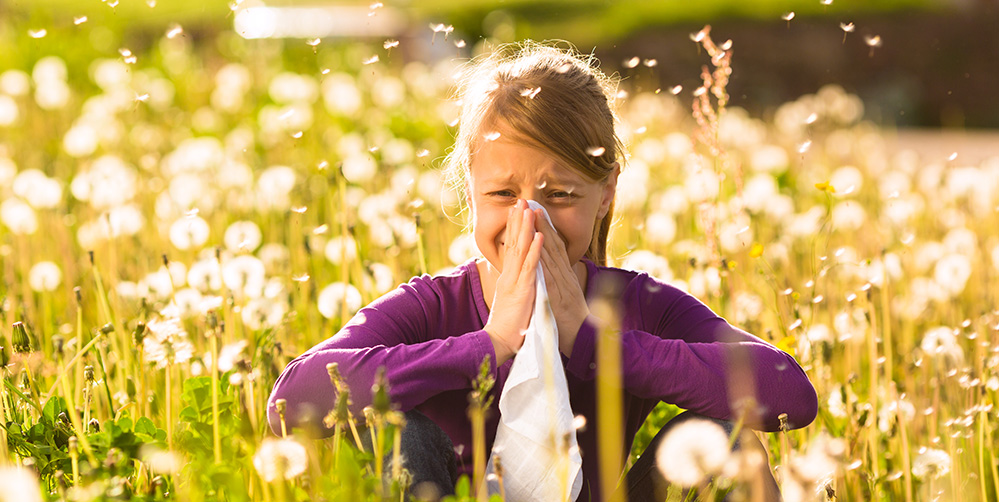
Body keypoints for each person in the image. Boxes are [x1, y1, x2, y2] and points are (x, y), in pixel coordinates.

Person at [267, 41, 817, 501]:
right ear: (471, 192)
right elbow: (292, 401)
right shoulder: (434, 305)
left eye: (559, 195)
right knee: (396, 436)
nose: (530, 220)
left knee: (728, 441)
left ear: (606, 196)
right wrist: (491, 343)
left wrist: (597, 344)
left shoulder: (638, 305)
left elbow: (789, 392)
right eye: (503, 193)